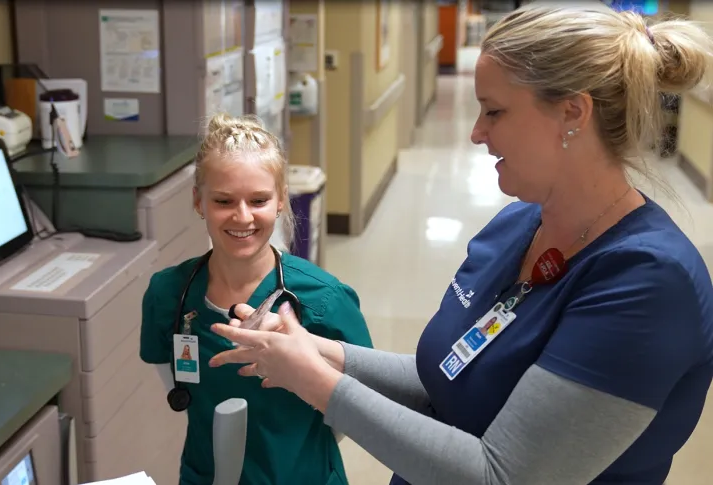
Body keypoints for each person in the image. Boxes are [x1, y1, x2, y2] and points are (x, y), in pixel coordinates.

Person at [207, 4, 713, 485]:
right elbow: (453, 376)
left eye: (494, 112)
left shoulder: (647, 284)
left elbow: (502, 475)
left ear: (572, 114)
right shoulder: (517, 225)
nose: (475, 133)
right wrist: (315, 350)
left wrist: (313, 381)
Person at [139, 113, 373, 485]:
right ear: (199, 201)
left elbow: (357, 404)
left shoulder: (323, 300)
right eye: (224, 200)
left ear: (281, 200)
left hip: (300, 476)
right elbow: (177, 389)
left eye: (259, 199)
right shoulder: (169, 295)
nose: (242, 216)